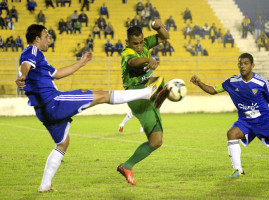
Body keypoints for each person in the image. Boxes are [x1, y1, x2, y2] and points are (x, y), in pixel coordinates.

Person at [15, 24, 164, 193]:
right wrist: (23, 75)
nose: (49, 38)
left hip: (43, 110)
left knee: (63, 144)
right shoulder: (31, 52)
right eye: (46, 35)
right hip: (54, 101)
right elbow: (25, 65)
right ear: (37, 39)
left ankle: (45, 186)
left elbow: (57, 74)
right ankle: (147, 92)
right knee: (101, 95)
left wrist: (81, 63)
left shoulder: (40, 58)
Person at [190, 53, 269, 178]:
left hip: (264, 119)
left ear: (252, 66)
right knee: (231, 134)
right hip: (245, 120)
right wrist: (199, 83)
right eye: (240, 63)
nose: (243, 66)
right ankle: (238, 171)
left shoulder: (262, 82)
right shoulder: (231, 82)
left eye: (246, 63)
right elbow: (213, 90)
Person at [117, 19, 170, 185]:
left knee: (157, 141)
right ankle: (127, 166)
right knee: (160, 84)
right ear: (127, 42)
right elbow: (133, 62)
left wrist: (160, 27)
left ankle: (126, 166)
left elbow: (165, 37)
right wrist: (148, 60)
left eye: (141, 42)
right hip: (136, 95)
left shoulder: (146, 43)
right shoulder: (127, 53)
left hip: (147, 92)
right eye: (135, 44)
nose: (139, 47)